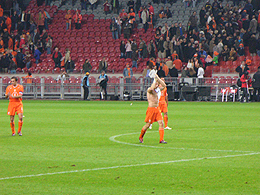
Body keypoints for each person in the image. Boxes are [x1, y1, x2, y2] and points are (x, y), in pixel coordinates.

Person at [139, 73, 167, 144]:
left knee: (161, 123)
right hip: (151, 109)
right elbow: (151, 89)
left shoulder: (157, 90)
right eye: (156, 84)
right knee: (147, 125)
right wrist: (155, 81)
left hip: (157, 109)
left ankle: (161, 139)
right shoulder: (150, 90)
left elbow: (164, 86)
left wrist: (158, 78)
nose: (157, 86)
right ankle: (141, 136)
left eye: (157, 85)